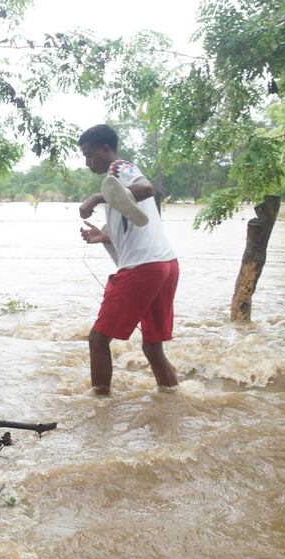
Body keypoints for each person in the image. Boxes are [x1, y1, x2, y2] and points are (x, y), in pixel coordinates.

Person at [77, 124, 179, 394]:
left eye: (90, 155)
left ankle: (99, 408)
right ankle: (174, 400)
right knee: (151, 346)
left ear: (105, 149)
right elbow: (134, 225)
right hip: (166, 264)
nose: (88, 163)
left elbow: (146, 187)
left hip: (144, 268)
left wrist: (99, 197)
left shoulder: (119, 168)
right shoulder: (117, 185)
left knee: (98, 339)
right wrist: (103, 236)